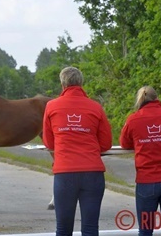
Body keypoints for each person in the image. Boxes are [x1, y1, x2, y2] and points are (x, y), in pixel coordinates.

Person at [42, 66, 112, 236]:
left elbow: (49, 142)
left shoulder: (51, 107)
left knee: (63, 229)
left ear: (62, 84)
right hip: (92, 173)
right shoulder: (95, 107)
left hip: (65, 173)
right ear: (81, 83)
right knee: (90, 228)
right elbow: (106, 143)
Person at [119, 85, 161, 236]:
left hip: (147, 180)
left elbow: (124, 143)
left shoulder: (133, 119)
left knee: (145, 230)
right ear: (157, 98)